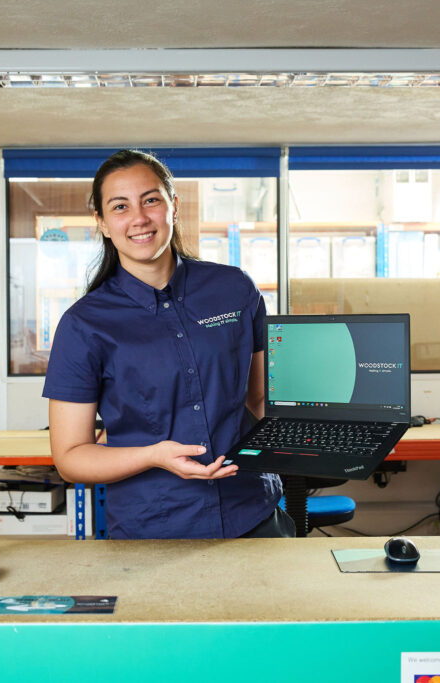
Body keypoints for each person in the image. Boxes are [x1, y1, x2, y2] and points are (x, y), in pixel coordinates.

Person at [42, 149, 293, 540]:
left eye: (151, 200)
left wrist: (321, 439)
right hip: (154, 529)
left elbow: (259, 401)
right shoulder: (83, 325)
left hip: (253, 514)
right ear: (103, 223)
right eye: (120, 206)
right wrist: (153, 455)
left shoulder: (234, 288)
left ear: (173, 207)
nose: (139, 218)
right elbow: (71, 458)